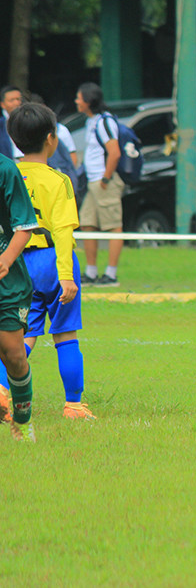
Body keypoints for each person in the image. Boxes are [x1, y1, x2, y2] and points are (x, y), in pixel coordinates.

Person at [1, 103, 93, 420]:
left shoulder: (5, 173)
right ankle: (73, 405)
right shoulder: (58, 180)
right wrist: (66, 276)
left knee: (21, 335)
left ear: (13, 139)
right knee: (65, 334)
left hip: (15, 262)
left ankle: (1, 390)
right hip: (53, 260)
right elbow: (64, 232)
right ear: (52, 139)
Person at [0, 108, 38, 440]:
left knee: (13, 352)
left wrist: (6, 260)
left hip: (7, 280)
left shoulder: (5, 169)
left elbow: (24, 226)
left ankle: (23, 417)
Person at [76, 82, 124, 287]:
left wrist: (105, 178)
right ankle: (91, 272)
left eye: (79, 98)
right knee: (88, 224)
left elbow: (114, 152)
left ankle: (111, 274)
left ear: (88, 101)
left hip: (103, 182)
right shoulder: (91, 121)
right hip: (93, 182)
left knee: (114, 227)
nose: (76, 101)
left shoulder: (105, 122)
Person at [0, 85, 23, 160]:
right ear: (2, 104)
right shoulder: (1, 125)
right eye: (12, 100)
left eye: (18, 99)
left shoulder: (30, 122)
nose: (16, 103)